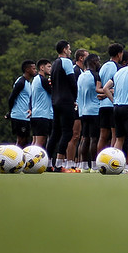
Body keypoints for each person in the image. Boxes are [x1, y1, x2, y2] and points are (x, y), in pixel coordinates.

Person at [49, 40, 79, 172]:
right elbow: (72, 82)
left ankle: (48, 162)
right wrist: (74, 98)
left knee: (55, 133)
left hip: (55, 101)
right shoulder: (66, 62)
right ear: (65, 49)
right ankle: (59, 164)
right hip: (66, 101)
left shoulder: (55, 63)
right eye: (69, 48)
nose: (70, 51)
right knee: (67, 132)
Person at [77, 53, 102, 172]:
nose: (99, 64)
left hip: (83, 111)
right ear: (93, 62)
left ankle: (83, 165)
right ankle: (94, 165)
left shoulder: (81, 76)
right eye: (98, 61)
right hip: (94, 110)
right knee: (94, 138)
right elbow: (98, 91)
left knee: (84, 138)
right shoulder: (95, 75)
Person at [97, 43, 123, 153]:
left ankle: (97, 163)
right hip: (112, 105)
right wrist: (110, 94)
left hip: (102, 106)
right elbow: (117, 87)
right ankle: (112, 160)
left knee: (102, 136)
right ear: (118, 54)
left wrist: (103, 94)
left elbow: (99, 87)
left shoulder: (103, 67)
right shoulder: (118, 68)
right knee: (114, 135)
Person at [7, 60, 35, 148]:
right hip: (19, 116)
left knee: (26, 141)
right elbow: (11, 98)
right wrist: (10, 112)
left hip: (25, 116)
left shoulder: (28, 83)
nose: (35, 70)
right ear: (27, 69)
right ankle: (14, 160)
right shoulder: (21, 82)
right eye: (33, 68)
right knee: (21, 141)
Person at [30, 59, 53, 149]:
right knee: (40, 143)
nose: (50, 69)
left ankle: (27, 160)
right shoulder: (43, 80)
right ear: (42, 67)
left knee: (35, 142)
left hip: (35, 114)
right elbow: (53, 92)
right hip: (42, 115)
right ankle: (32, 162)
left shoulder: (35, 79)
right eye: (49, 66)